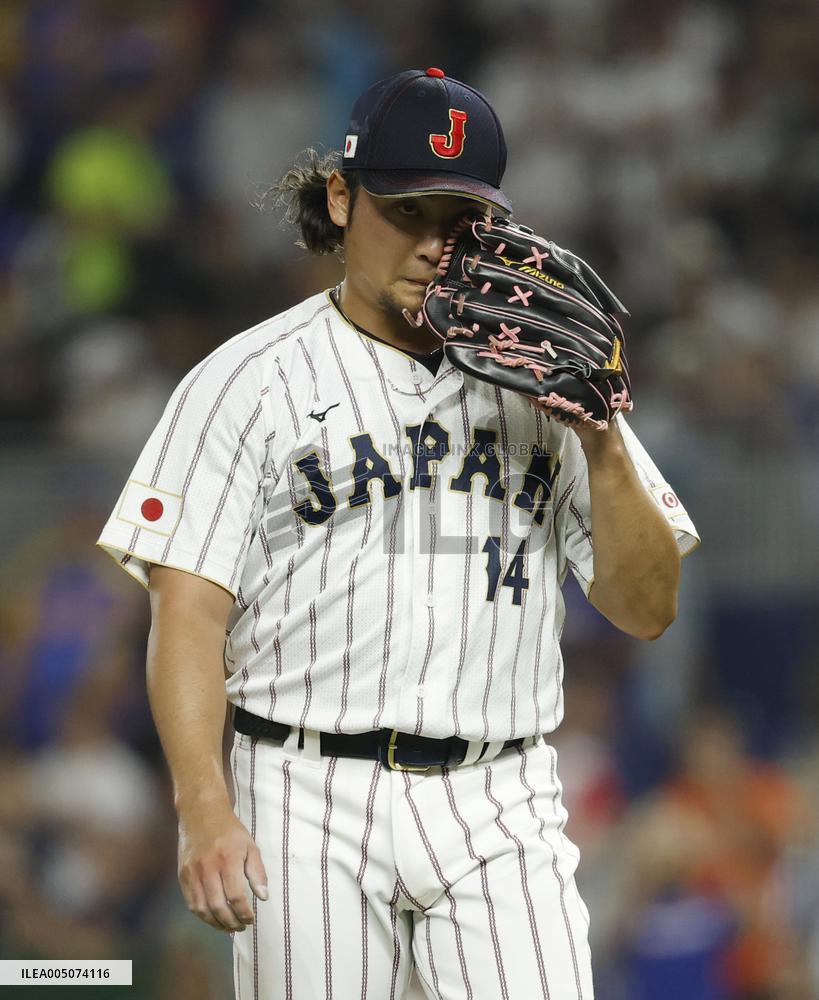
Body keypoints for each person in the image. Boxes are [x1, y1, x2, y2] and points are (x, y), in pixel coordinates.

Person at [97, 67, 700, 1000]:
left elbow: (645, 607)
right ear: (339, 200)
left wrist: (600, 437)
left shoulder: (549, 379)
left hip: (500, 794)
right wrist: (203, 805)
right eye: (405, 211)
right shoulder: (247, 380)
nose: (430, 244)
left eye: (457, 222)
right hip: (304, 789)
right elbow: (188, 615)